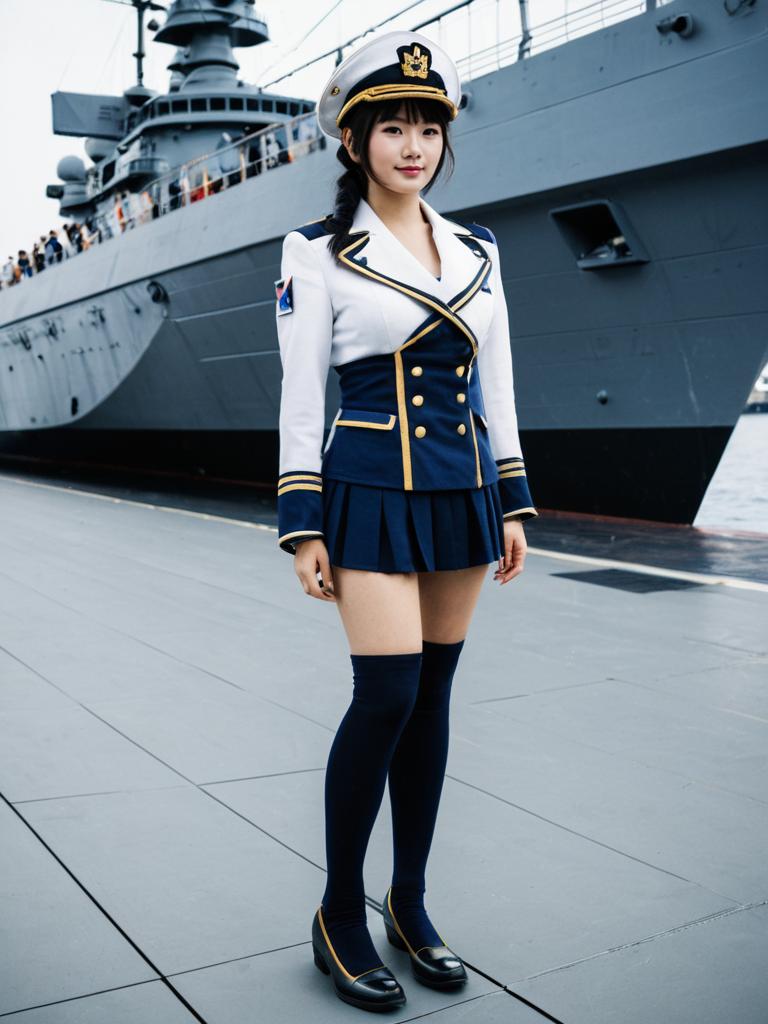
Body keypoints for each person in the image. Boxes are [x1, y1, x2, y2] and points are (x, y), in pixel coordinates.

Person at [274, 30, 538, 1013]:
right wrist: (304, 522)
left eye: (428, 125)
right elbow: (302, 397)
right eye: (393, 125)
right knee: (384, 696)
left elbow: (497, 383)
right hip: (369, 491)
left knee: (432, 701)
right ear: (356, 140)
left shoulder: (480, 250)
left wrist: (512, 496)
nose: (413, 143)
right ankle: (340, 910)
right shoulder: (316, 252)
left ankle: (409, 901)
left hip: (463, 489)